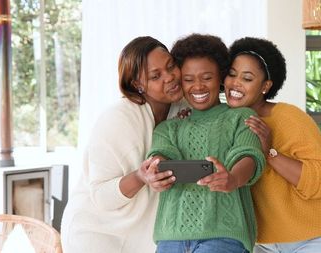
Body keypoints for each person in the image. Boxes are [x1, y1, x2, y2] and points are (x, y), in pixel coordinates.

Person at [224, 37, 321, 253]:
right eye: (231, 74)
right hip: (266, 244)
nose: (235, 83)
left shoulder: (289, 118)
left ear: (265, 86)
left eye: (247, 78)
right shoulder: (226, 121)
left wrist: (269, 152)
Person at [60, 36, 189, 253]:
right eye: (156, 76)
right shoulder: (118, 119)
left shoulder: (181, 108)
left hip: (143, 234)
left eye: (171, 66)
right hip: (97, 232)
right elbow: (101, 196)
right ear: (138, 84)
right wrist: (141, 177)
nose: (170, 77)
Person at [145, 34, 265, 253]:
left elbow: (249, 157)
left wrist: (233, 178)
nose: (198, 86)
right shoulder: (168, 127)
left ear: (220, 77)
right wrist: (155, 170)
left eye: (206, 78)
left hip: (223, 235)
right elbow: (160, 156)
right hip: (170, 237)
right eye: (189, 79)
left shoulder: (240, 117)